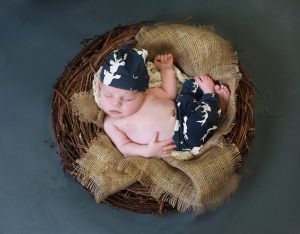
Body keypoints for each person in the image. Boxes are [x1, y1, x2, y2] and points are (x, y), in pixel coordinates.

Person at [96, 45, 230, 158]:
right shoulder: (111, 123)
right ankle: (213, 99)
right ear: (100, 88)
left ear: (143, 92)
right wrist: (147, 151)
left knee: (191, 84)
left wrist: (166, 69)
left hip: (181, 107)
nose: (116, 103)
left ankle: (213, 105)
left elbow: (169, 94)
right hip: (183, 136)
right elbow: (124, 146)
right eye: (107, 95)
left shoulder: (148, 94)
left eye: (127, 98)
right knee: (198, 124)